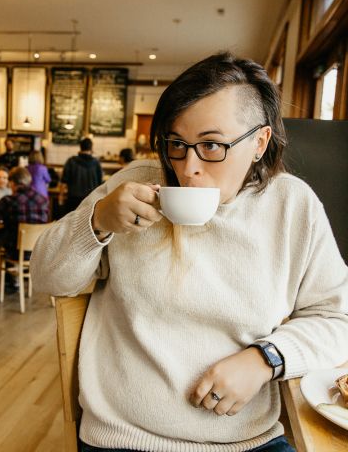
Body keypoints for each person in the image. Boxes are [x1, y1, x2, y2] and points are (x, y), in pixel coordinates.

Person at [31, 52, 348, 452]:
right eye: (176, 144)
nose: (187, 167)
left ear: (259, 142)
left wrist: (267, 358)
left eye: (212, 145)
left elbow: (338, 317)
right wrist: (97, 221)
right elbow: (45, 276)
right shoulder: (134, 185)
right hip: (125, 440)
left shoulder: (291, 206)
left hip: (249, 442)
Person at [0, 166, 49, 292]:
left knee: (4, 233)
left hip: (15, 250)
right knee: (12, 229)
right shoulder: (42, 199)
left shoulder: (9, 200)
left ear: (12, 183)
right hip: (38, 250)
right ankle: (13, 280)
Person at [61, 137, 103, 213]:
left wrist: (60, 197)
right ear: (91, 148)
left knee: (71, 223)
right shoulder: (96, 163)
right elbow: (101, 184)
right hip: (91, 201)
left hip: (73, 200)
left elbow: (64, 181)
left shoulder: (71, 161)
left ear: (80, 147)